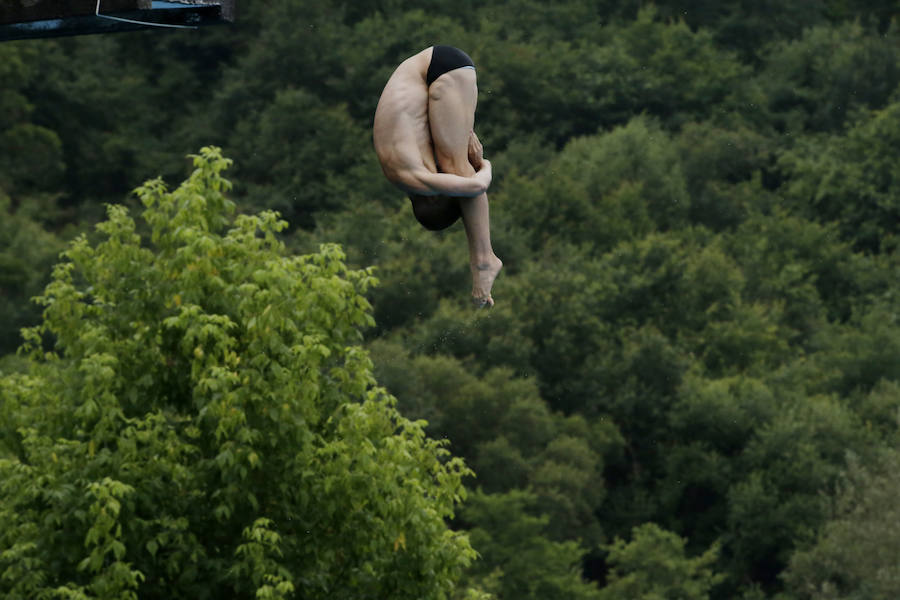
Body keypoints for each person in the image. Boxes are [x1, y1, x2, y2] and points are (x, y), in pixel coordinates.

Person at [373, 45, 502, 308]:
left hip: (438, 70)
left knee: (457, 167)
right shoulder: (404, 170)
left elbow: (475, 186)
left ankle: (483, 259)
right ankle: (483, 259)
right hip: (439, 70)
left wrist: (482, 165)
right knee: (454, 162)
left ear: (433, 197)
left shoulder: (412, 177)